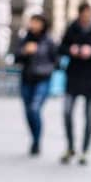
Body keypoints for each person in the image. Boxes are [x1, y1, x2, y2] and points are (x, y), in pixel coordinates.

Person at [56, 3, 91, 165]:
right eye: (83, 14)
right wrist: (71, 50)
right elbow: (61, 47)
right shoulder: (72, 28)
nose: (86, 17)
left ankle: (85, 149)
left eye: (88, 14)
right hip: (74, 76)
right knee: (67, 112)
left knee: (89, 115)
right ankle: (70, 146)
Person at [13, 14, 58, 156]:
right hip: (27, 79)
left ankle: (37, 140)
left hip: (43, 79)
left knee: (34, 109)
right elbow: (16, 57)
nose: (34, 25)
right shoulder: (24, 39)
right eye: (32, 22)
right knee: (28, 111)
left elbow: (56, 60)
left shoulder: (49, 41)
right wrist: (25, 51)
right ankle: (34, 138)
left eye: (37, 22)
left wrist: (47, 68)